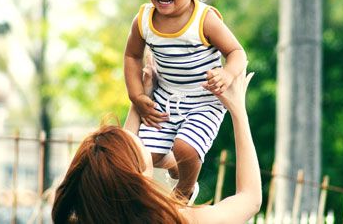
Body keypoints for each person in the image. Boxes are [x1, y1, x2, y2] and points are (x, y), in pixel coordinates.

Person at [124, 0, 248, 203]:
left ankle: (184, 192)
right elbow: (132, 56)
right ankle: (176, 165)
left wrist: (227, 74)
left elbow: (237, 52)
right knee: (146, 156)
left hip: (204, 100)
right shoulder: (143, 20)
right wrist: (137, 95)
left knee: (186, 148)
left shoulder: (204, 20)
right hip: (166, 98)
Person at [52, 69, 261, 223]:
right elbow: (250, 199)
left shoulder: (81, 218)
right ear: (139, 179)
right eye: (145, 151)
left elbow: (120, 164)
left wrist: (143, 97)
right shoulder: (177, 220)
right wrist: (238, 110)